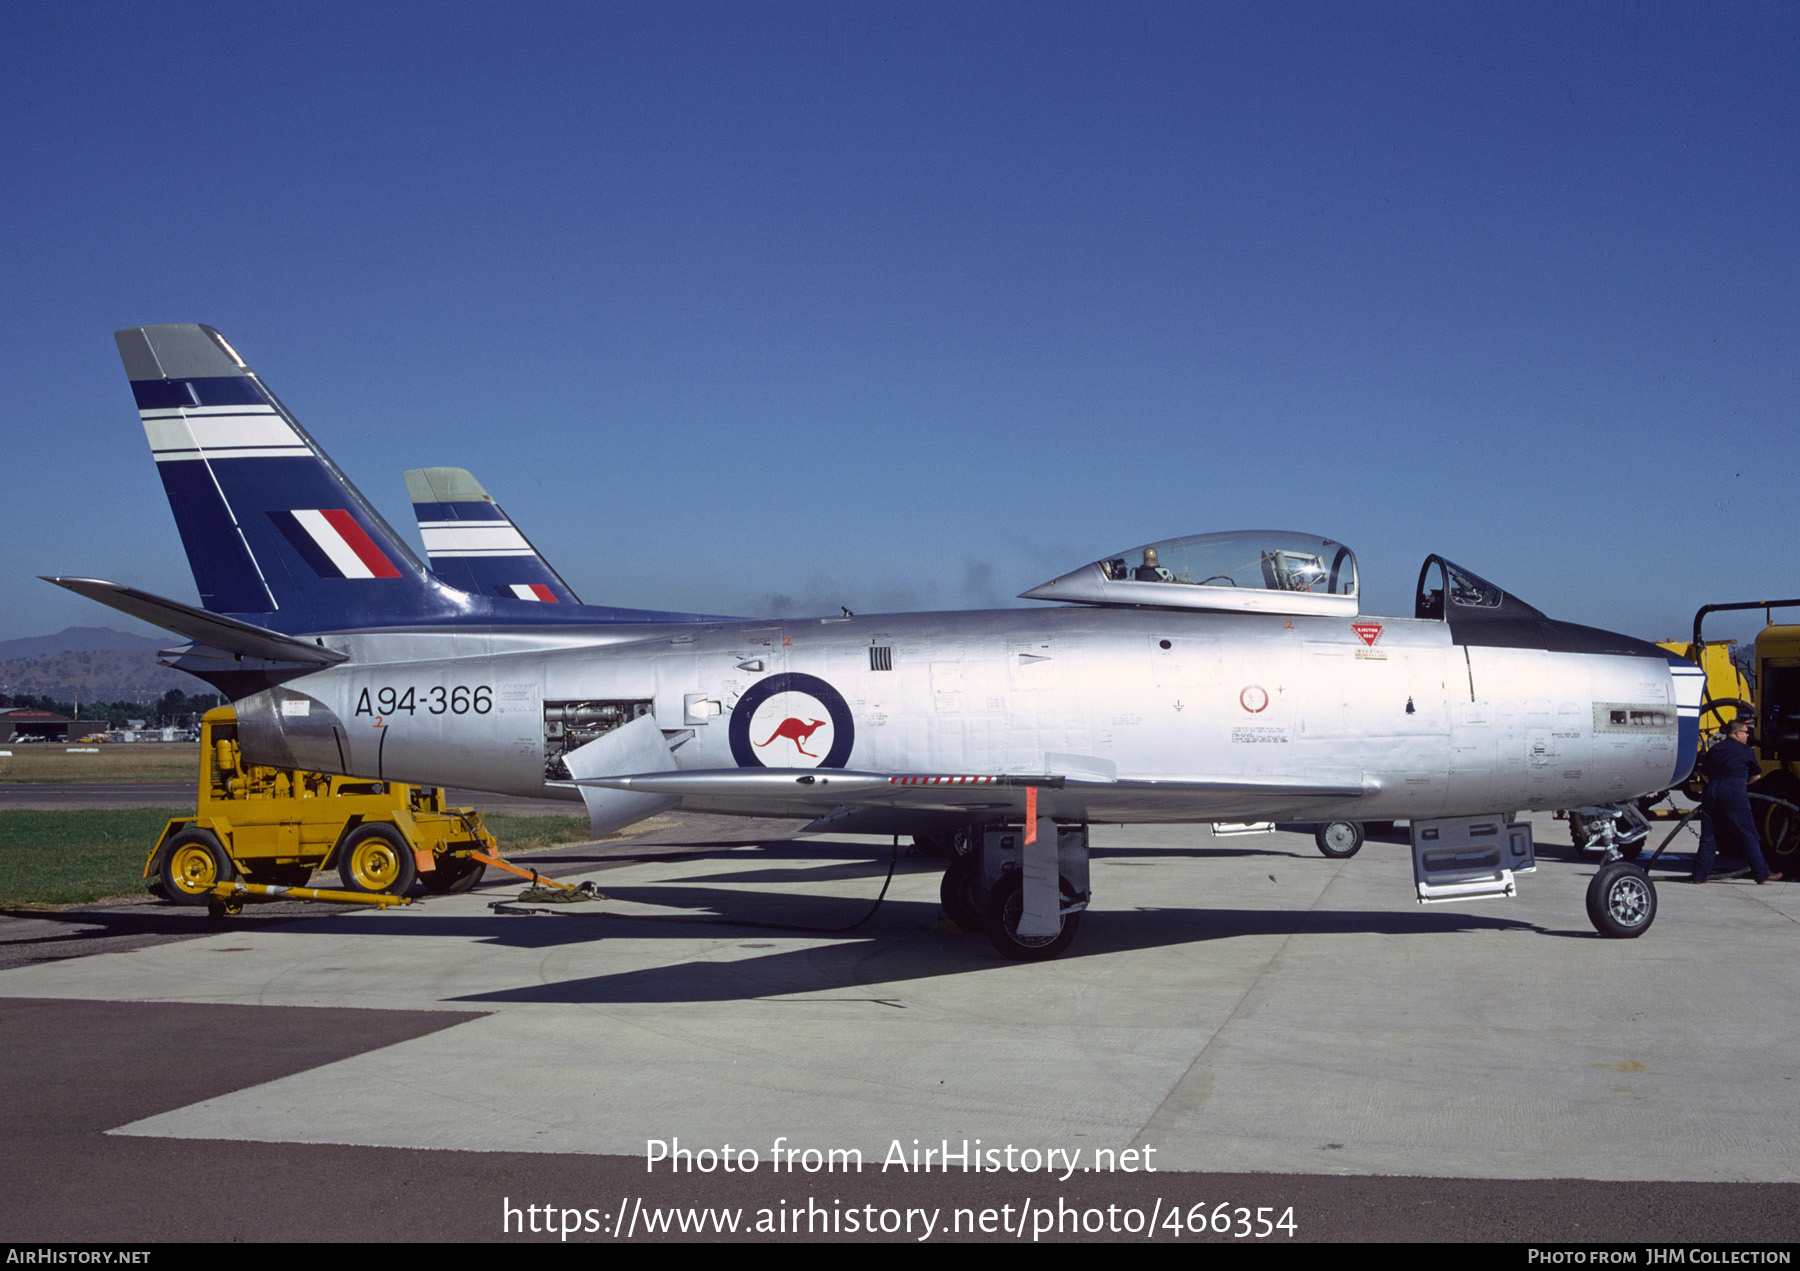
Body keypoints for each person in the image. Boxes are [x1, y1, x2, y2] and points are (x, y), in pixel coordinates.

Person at [1691, 718, 1782, 884]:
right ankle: (1762, 873)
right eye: (1746, 732)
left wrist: (1716, 785)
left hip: (1712, 791)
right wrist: (1741, 784)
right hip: (1733, 791)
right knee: (1748, 834)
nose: (1748, 735)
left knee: (1708, 836)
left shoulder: (1715, 749)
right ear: (1737, 733)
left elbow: (1704, 774)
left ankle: (1699, 875)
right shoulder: (1745, 750)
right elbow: (1757, 775)